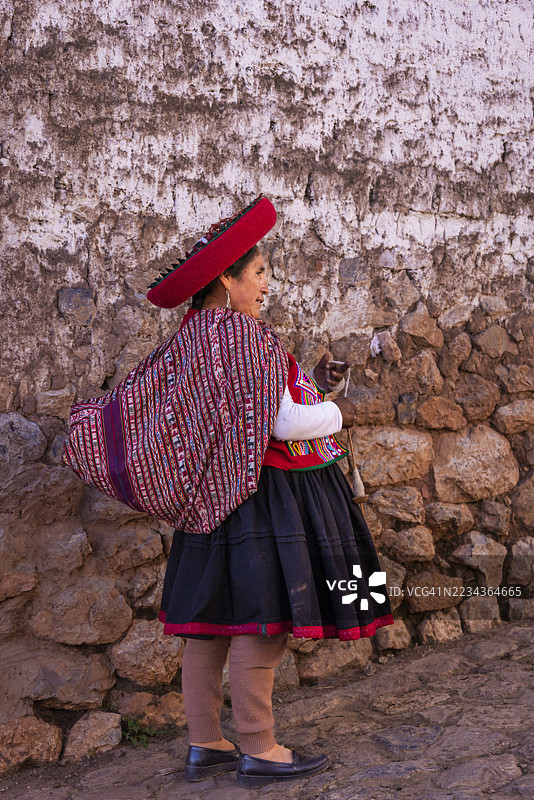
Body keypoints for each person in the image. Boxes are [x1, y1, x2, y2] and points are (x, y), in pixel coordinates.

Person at [151, 198, 394, 788]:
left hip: (206, 504)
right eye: (258, 273)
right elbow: (282, 423)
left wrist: (312, 387)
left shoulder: (187, 341)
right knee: (263, 620)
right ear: (226, 279)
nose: (266, 285)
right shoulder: (247, 338)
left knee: (209, 621)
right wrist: (334, 411)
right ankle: (261, 749)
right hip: (261, 498)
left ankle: (204, 742)